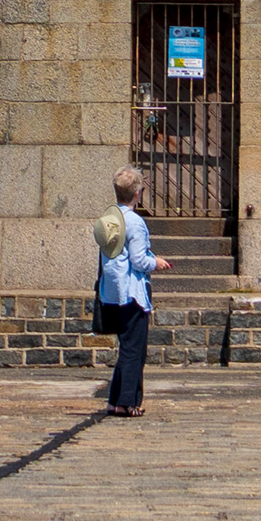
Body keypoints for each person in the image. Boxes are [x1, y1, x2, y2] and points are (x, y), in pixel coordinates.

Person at [93, 166, 161, 417]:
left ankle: (114, 400)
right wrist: (157, 263)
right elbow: (139, 260)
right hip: (133, 292)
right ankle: (126, 402)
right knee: (134, 350)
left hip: (111, 292)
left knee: (126, 348)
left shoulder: (108, 220)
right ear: (137, 194)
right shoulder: (135, 222)